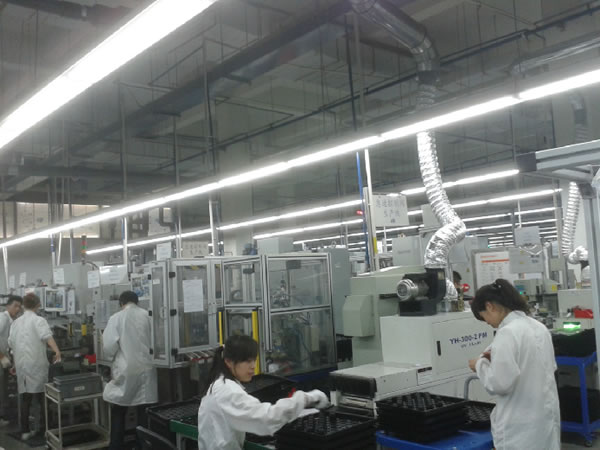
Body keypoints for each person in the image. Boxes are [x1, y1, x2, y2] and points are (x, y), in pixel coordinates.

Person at [467, 279, 560, 450]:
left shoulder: (507, 333)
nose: (487, 323)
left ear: (489, 306)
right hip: (545, 419)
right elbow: (548, 368)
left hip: (520, 426)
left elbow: (500, 384)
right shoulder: (539, 327)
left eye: (483, 317)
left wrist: (479, 365)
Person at [197, 334, 330, 450]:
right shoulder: (227, 391)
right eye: (247, 361)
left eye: (254, 360)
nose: (253, 366)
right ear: (229, 362)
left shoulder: (219, 384)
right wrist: (305, 398)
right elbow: (268, 418)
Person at [103, 290, 157, 450]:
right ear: (137, 301)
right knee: (143, 411)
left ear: (121, 303)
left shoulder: (116, 318)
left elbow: (108, 347)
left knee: (119, 410)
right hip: (147, 368)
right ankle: (142, 446)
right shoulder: (147, 316)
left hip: (126, 369)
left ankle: (116, 446)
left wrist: (111, 356)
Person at [8, 293, 61, 440]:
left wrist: (14, 363)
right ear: (38, 305)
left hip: (21, 365)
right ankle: (44, 430)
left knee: (26, 398)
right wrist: (57, 351)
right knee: (42, 397)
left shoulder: (15, 323)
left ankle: (25, 431)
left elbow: (12, 344)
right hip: (36, 364)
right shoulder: (39, 320)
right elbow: (47, 337)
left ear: (23, 305)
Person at [0, 295, 22, 426]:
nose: (17, 309)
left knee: (3, 388)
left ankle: (2, 415)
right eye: (15, 306)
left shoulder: (11, 320)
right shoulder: (3, 319)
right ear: (8, 306)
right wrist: (2, 357)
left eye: (19, 307)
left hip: (3, 357)